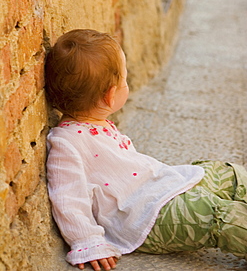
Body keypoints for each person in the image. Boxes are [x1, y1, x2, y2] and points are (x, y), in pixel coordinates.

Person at [45, 29, 247, 271]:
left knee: (227, 174)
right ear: (110, 96)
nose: (126, 84)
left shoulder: (97, 122)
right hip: (146, 219)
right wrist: (88, 240)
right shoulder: (67, 143)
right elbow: (68, 198)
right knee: (218, 217)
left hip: (161, 188)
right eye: (125, 80)